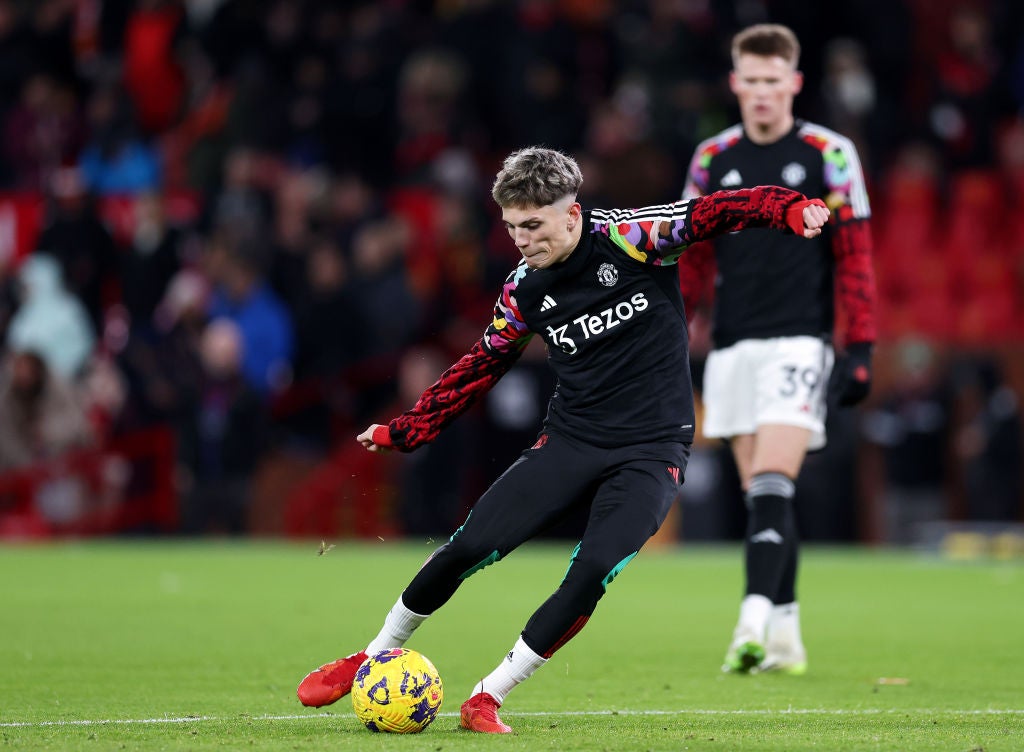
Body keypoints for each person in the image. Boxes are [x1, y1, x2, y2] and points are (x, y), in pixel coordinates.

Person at [296, 147, 829, 732]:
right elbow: (480, 364)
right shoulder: (523, 289)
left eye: (533, 225)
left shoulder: (633, 238)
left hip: (653, 449)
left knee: (593, 568)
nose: (521, 240)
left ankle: (488, 696)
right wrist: (409, 428)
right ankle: (369, 658)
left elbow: (716, 211)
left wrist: (788, 207)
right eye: (512, 228)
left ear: (572, 214)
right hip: (572, 440)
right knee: (468, 548)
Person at [678, 23, 877, 675]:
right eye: (751, 81)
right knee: (767, 497)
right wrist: (676, 330)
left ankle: (751, 622)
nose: (762, 93)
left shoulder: (830, 153)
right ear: (736, 83)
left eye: (774, 81)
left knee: (770, 485)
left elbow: (855, 254)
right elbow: (691, 259)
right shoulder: (712, 159)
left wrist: (861, 344)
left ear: (793, 83)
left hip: (800, 342)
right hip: (732, 347)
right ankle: (788, 638)